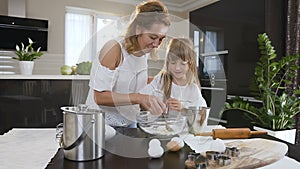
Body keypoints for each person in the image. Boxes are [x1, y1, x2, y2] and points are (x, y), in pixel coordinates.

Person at [85, 0, 171, 127]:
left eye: (161, 39)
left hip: (129, 122)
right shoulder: (114, 48)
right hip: (101, 125)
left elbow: (128, 80)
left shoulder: (142, 52)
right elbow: (100, 97)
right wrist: (139, 98)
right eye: (153, 37)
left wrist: (160, 81)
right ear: (138, 29)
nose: (156, 44)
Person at [139, 38, 208, 127]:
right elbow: (141, 98)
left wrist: (183, 109)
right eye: (173, 63)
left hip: (184, 134)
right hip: (160, 131)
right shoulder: (161, 80)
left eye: (182, 63)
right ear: (167, 62)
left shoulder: (193, 89)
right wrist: (153, 105)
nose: (177, 68)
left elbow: (201, 120)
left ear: (190, 64)